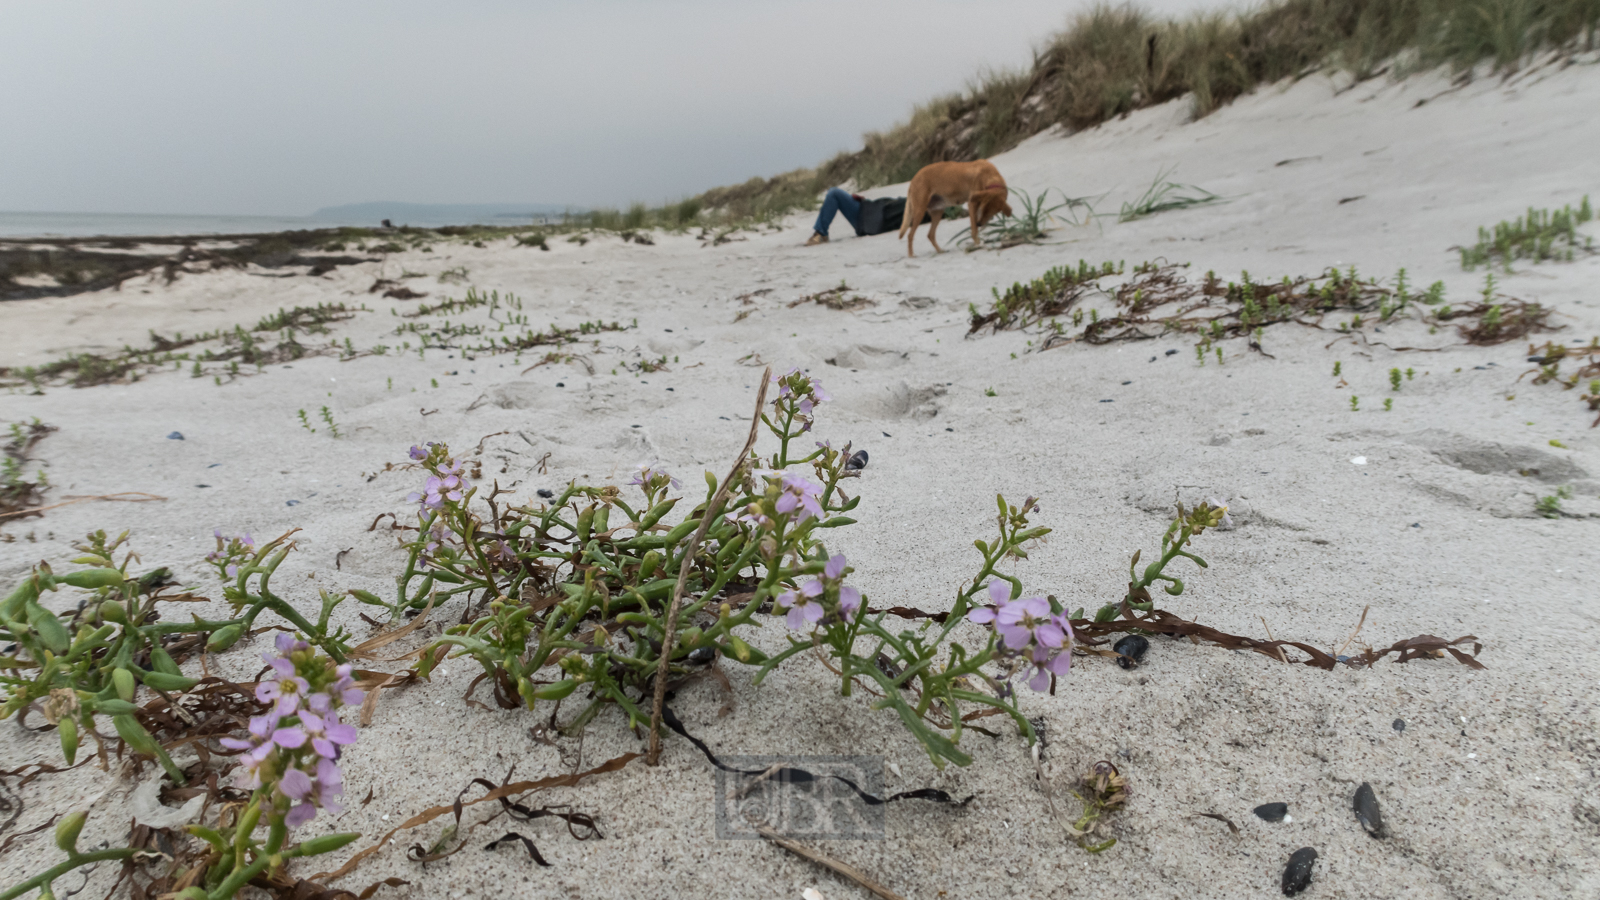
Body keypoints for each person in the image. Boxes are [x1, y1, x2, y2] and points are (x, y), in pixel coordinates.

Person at [805, 187, 915, 245]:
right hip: (867, 210)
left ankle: (820, 233)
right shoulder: (910, 203)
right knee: (834, 193)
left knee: (834, 193)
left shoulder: (915, 208)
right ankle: (820, 233)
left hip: (865, 218)